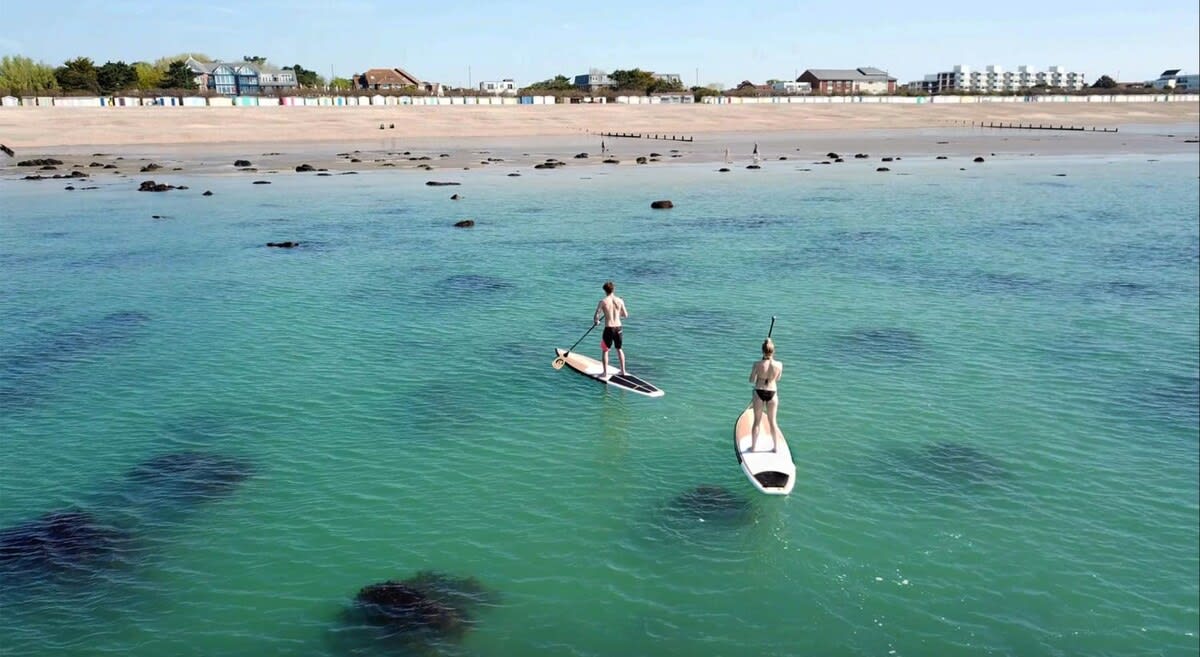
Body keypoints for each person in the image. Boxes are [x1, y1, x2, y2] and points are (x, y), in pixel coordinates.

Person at [748, 337, 783, 452]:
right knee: (773, 422)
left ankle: (753, 447)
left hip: (759, 392)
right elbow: (777, 379)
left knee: (756, 422)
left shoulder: (757, 364)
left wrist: (759, 372)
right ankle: (775, 448)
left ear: (762, 351)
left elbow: (751, 380)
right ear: (773, 351)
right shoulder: (779, 365)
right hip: (772, 393)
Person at [593, 280, 628, 378]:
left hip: (609, 329)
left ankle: (605, 373)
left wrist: (597, 321)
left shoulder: (603, 302)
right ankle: (623, 371)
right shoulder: (620, 301)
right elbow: (625, 315)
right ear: (613, 289)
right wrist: (618, 312)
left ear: (605, 290)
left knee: (605, 350)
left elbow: (596, 315)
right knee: (619, 349)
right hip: (618, 328)